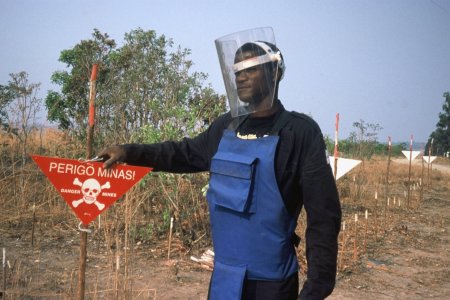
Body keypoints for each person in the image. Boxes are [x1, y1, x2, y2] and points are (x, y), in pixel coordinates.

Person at [98, 27, 341, 300]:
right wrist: (129, 152)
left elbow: (323, 218)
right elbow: (183, 153)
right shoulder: (226, 127)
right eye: (236, 70)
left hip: (272, 284)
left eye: (250, 68)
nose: (241, 76)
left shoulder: (299, 133)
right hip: (225, 279)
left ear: (274, 73)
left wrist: (316, 288)